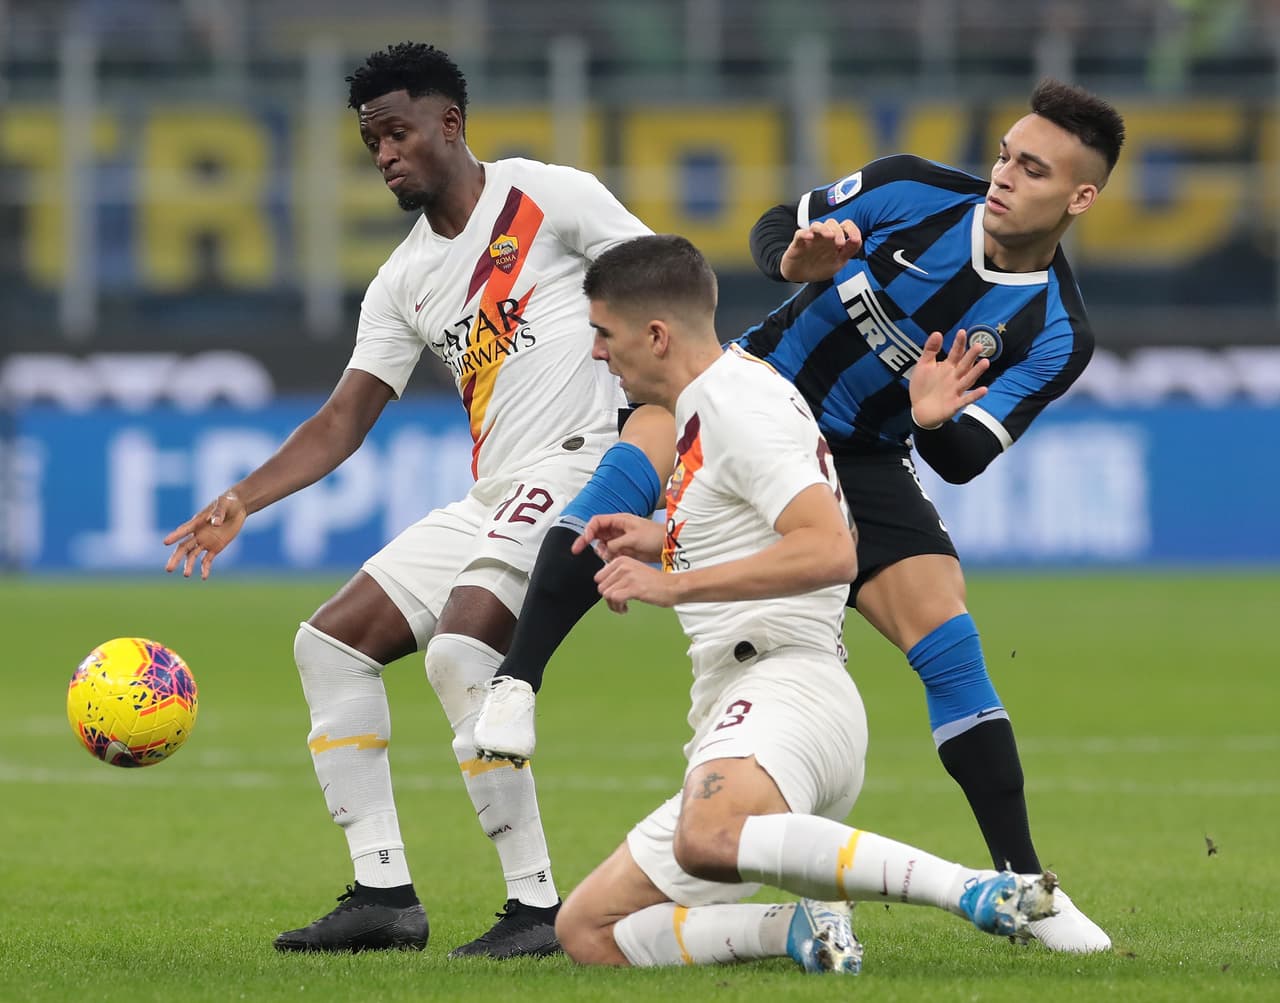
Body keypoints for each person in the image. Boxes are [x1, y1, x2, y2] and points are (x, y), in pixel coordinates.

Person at [476, 78, 1124, 953]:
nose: (1004, 175)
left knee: (952, 643)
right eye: (1006, 153)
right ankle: (518, 683)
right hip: (754, 391)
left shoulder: (1054, 329)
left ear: (1080, 198)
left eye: (1033, 169)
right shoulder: (917, 191)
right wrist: (795, 259)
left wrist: (932, 420)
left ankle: (1026, 886)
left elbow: (964, 455)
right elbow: (778, 224)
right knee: (629, 469)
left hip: (863, 455)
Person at [161, 41, 662, 958]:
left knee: (463, 647)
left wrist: (659, 424)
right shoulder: (402, 280)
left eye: (396, 133)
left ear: (449, 123)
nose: (384, 154)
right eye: (370, 141)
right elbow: (346, 415)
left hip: (589, 463)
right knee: (330, 644)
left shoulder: (549, 196)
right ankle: (385, 895)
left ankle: (536, 909)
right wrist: (245, 496)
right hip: (498, 490)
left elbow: (666, 279)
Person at [551, 232, 1057, 975]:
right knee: (588, 929)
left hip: (787, 689)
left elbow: (830, 550)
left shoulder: (736, 406)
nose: (598, 352)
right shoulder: (712, 406)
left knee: (707, 837)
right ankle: (796, 928)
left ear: (655, 335)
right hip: (741, 699)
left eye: (604, 333)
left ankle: (977, 889)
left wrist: (674, 583)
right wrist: (657, 540)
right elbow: (763, 531)